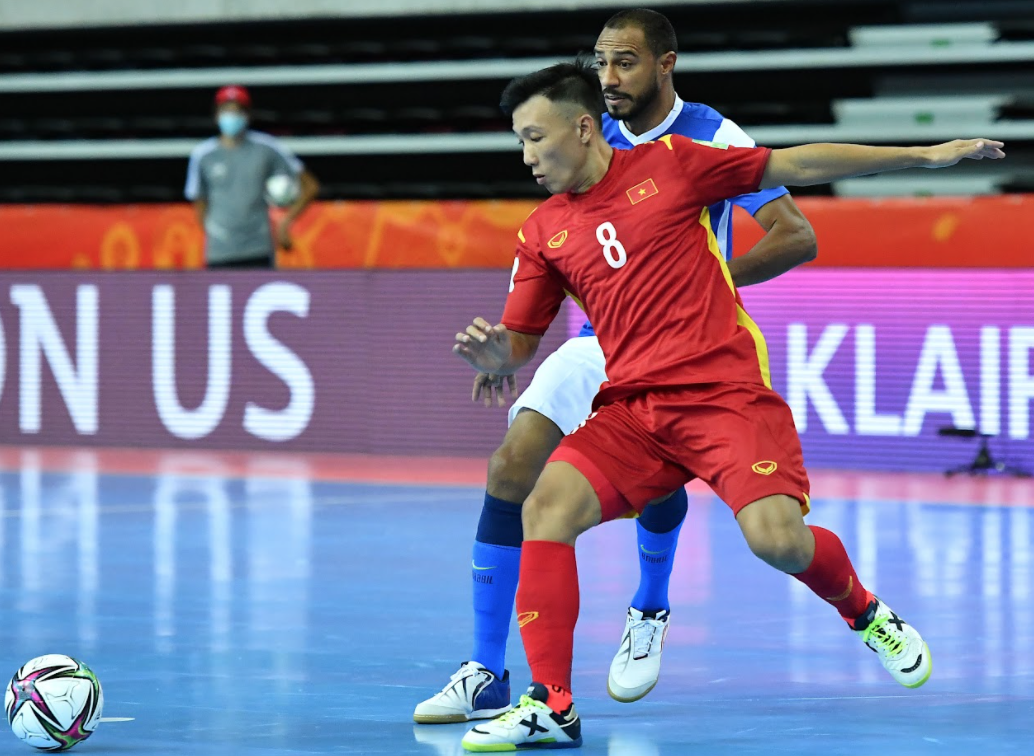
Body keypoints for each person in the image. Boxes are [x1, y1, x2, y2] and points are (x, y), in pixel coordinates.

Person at [452, 59, 1003, 751]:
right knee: (546, 507)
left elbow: (796, 162)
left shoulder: (673, 163)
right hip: (636, 409)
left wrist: (923, 155)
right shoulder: (542, 232)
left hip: (723, 396)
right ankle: (551, 705)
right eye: (520, 143)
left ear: (584, 127)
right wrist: (495, 356)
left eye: (535, 138)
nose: (527, 157)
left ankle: (864, 610)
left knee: (779, 542)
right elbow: (520, 342)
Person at [413, 9, 817, 725]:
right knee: (511, 467)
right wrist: (504, 348)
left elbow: (796, 235)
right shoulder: (580, 131)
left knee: (657, 474)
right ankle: (486, 670)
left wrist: (696, 284)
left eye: (624, 62)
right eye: (601, 62)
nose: (609, 76)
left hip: (685, 340)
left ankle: (650, 606)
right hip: (596, 338)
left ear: (665, 64)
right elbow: (547, 261)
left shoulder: (709, 135)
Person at [184, 85, 320, 269]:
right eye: (226, 110)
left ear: (248, 115)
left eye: (237, 111)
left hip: (258, 248)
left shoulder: (267, 148)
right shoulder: (203, 155)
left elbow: (310, 185)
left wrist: (285, 222)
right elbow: (199, 202)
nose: (231, 117)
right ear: (216, 115)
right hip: (219, 251)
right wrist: (216, 234)